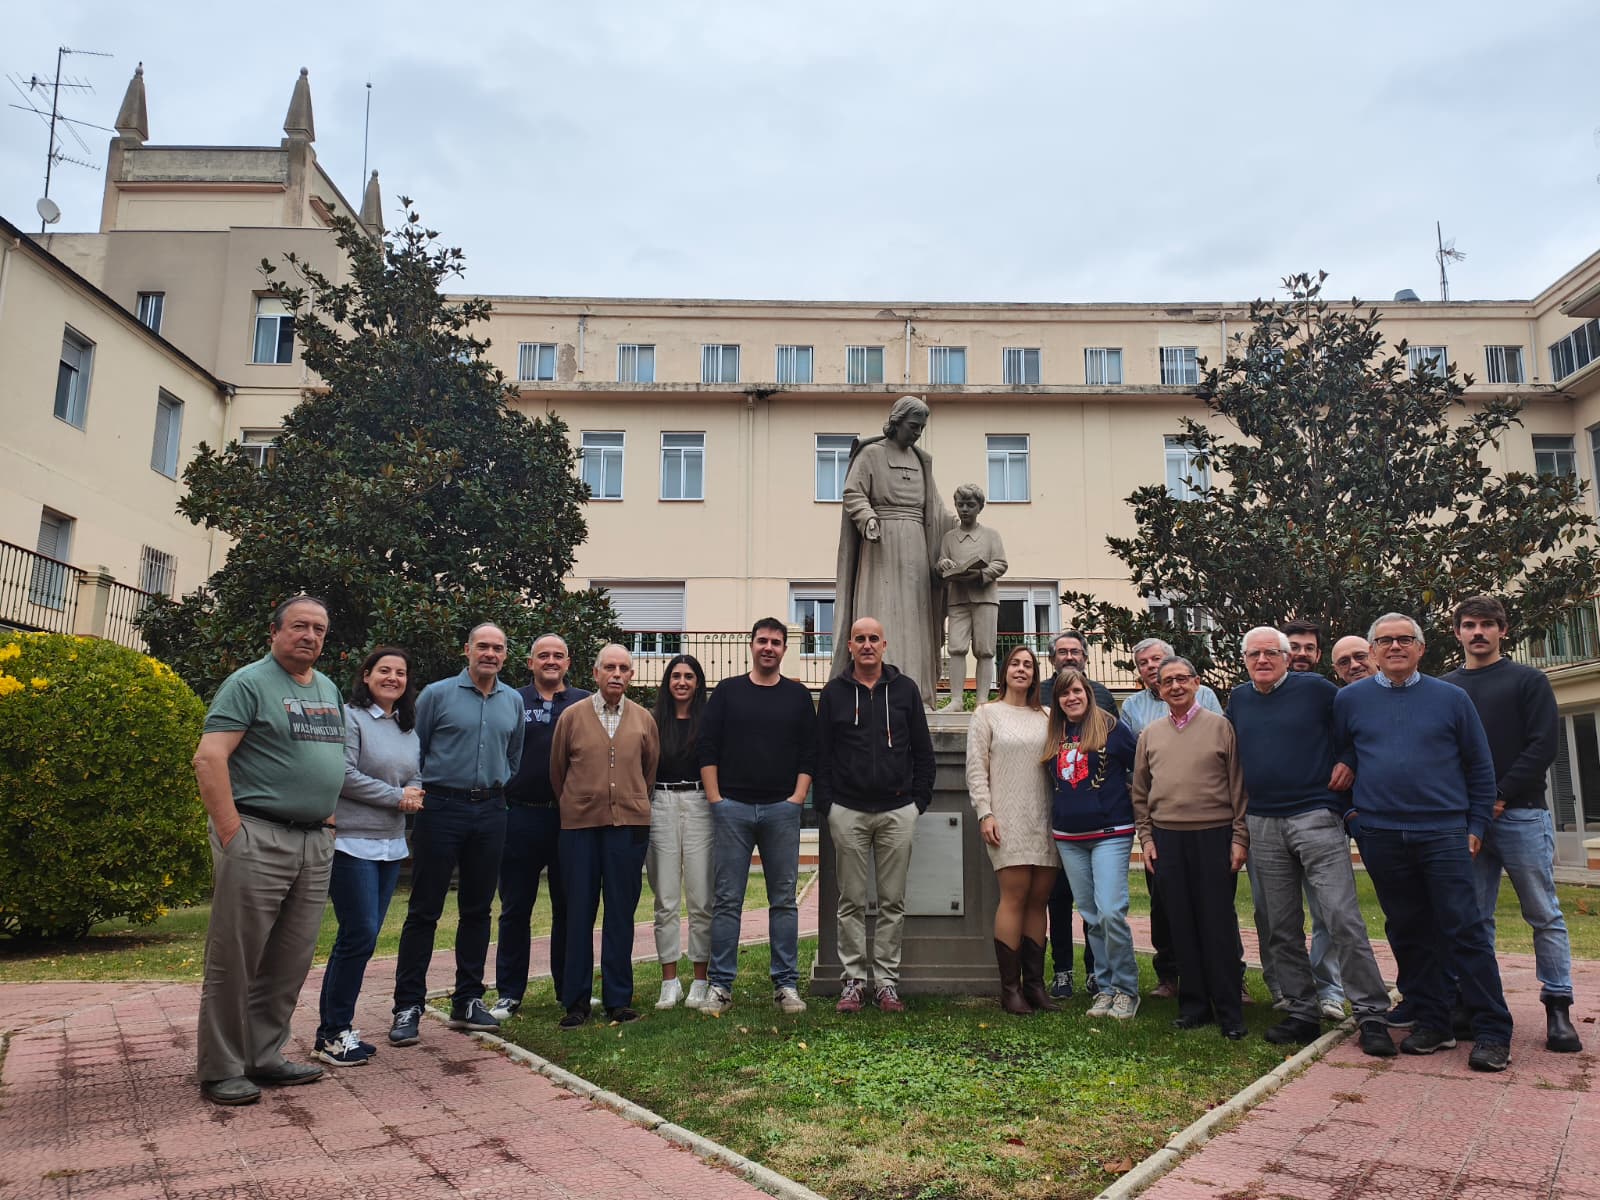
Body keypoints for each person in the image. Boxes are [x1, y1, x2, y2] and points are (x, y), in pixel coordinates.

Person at [1333, 613, 1514, 1071]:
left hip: (1443, 832)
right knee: (1409, 930)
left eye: (1405, 640)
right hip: (1382, 834)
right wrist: (1354, 817)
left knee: (1465, 930)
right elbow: (1341, 759)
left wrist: (1475, 826)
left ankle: (1492, 1030)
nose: (1395, 647)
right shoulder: (1350, 701)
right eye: (1385, 641)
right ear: (1372, 652)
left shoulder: (1451, 698)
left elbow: (1479, 765)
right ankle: (1433, 1022)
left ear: (1421, 648)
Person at [192, 596, 346, 1105]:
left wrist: (326, 818)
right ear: (274, 631)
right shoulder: (248, 683)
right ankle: (221, 1067)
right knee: (235, 959)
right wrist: (231, 831)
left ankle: (264, 1054)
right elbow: (210, 758)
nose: (310, 636)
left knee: (290, 959)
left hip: (312, 842)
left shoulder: (327, 688)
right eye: (299, 626)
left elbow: (325, 760)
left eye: (319, 630)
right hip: (257, 836)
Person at [1229, 628, 1396, 1058]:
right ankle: (1301, 1009)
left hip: (1316, 815)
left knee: (1341, 917)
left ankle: (1371, 1013)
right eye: (1254, 654)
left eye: (1271, 653)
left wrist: (1348, 761)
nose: (1262, 660)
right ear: (1244, 660)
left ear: (1287, 657)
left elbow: (1356, 733)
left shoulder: (1319, 691)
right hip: (1263, 820)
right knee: (1278, 923)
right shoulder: (1239, 699)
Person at [1443, 595, 1580, 1053]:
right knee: (1473, 918)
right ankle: (1477, 1003)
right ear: (1457, 632)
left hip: (1521, 813)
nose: (1477, 632)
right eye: (1469, 625)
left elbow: (1543, 746)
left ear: (1503, 631)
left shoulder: (1528, 680)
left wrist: (1496, 795)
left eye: (1487, 624)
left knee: (1543, 913)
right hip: (1469, 821)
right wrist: (1475, 805)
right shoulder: (1447, 688)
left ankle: (1558, 1006)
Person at [389, 622, 525, 1046]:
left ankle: (467, 999)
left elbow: (513, 756)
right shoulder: (437, 695)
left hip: (490, 809)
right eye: (482, 646)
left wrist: (493, 788)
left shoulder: (513, 701)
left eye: (497, 648)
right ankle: (407, 1005)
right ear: (466, 649)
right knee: (424, 909)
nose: (490, 653)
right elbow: (417, 749)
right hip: (440, 808)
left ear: (505, 655)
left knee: (479, 908)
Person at [816, 617, 935, 1013]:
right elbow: (822, 754)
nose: (867, 645)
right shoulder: (834, 693)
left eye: (873, 639)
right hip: (847, 811)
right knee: (849, 900)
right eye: (859, 639)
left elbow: (923, 751)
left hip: (897, 811)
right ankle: (852, 981)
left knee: (892, 902)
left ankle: (885, 982)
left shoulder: (905, 691)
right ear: (849, 646)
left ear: (885, 644)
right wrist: (829, 805)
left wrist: (917, 803)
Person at [698, 620, 817, 1016]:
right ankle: (720, 986)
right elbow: (708, 747)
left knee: (783, 900)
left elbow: (808, 752)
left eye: (776, 642)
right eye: (763, 641)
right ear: (752, 645)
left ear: (785, 649)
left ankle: (786, 985)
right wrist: (716, 799)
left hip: (781, 810)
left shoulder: (798, 696)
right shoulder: (728, 692)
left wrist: (797, 798)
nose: (769, 647)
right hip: (732, 808)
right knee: (728, 899)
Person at [315, 646, 424, 1067]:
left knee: (363, 938)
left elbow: (415, 771)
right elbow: (343, 775)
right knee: (357, 934)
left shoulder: (405, 725)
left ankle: (335, 1028)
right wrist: (398, 798)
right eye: (384, 671)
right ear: (366, 675)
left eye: (400, 672)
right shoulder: (350, 717)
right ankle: (333, 1032)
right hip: (352, 842)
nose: (392, 678)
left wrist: (412, 791)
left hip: (390, 845)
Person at [1131, 656, 1249, 1039]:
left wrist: (1239, 837)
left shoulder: (1220, 728)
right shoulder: (1150, 734)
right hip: (1167, 839)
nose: (1176, 686)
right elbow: (1140, 793)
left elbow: (1238, 787)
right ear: (1159, 689)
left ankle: (1229, 1010)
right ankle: (1194, 1005)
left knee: (1217, 924)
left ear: (1196, 682)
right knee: (1180, 923)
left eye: (1182, 679)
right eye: (1168, 682)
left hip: (1214, 836)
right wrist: (1146, 839)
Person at [550, 644, 660, 1028]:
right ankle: (576, 1001)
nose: (616, 674)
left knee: (620, 913)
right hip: (579, 827)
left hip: (628, 828)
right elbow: (558, 771)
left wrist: (629, 801)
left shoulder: (644, 719)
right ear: (595, 674)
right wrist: (580, 800)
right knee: (578, 911)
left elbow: (649, 772)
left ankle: (618, 999)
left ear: (632, 676)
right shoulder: (572, 716)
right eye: (609, 667)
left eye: (624, 668)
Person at [490, 634, 589, 1022]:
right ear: (530, 663)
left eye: (558, 656)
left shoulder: (584, 701)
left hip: (569, 819)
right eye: (543, 656)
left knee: (570, 907)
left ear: (568, 663)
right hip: (520, 815)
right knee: (515, 907)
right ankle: (509, 993)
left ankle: (570, 990)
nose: (551, 661)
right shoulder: (512, 700)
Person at [1119, 636, 1224, 1001]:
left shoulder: (1206, 697)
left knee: (1216, 904)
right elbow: (1138, 768)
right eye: (1144, 662)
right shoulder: (1132, 708)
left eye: (1157, 659)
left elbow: (1221, 751)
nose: (1151, 666)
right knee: (1164, 902)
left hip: (1209, 819)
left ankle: (1227, 976)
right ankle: (1170, 976)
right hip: (1161, 820)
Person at [832, 396, 954, 709]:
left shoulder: (921, 460)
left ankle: (914, 690)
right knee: (879, 611)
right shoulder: (871, 454)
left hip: (916, 544)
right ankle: (872, 684)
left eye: (921, 428)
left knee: (917, 618)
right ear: (897, 421)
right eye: (913, 426)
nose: (917, 433)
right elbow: (852, 492)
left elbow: (937, 509)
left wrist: (964, 530)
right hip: (880, 545)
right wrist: (867, 517)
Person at [1044, 667, 1142, 1020]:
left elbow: (1141, 769)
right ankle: (1105, 988)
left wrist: (1134, 797)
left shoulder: (1114, 730)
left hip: (1110, 833)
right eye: (1064, 694)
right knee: (1091, 916)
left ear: (1087, 692)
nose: (1072, 698)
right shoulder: (1054, 733)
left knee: (1112, 910)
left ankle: (1127, 989)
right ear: (1057, 701)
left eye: (1077, 691)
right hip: (1069, 837)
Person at [965, 645, 1057, 1015]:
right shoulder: (986, 714)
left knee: (1039, 899)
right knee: (1015, 896)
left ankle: (1035, 986)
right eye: (1016, 664)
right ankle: (1011, 989)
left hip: (1046, 818)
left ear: (1035, 675)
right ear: (1004, 672)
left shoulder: (1049, 715)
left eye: (1029, 666)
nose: (1022, 670)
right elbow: (976, 769)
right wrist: (985, 813)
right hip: (1006, 819)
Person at [1040, 629, 1114, 998]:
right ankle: (1063, 970)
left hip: (1096, 819)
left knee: (1094, 902)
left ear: (1085, 657)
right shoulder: (1039, 694)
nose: (1069, 656)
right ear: (1053, 658)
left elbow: (1116, 751)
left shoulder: (1102, 696)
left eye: (1075, 651)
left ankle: (1096, 972)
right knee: (1060, 899)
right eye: (1062, 652)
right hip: (1058, 815)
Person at [648, 653, 713, 1009]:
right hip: (662, 804)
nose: (682, 682)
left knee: (702, 898)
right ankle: (669, 981)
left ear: (698, 682)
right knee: (666, 899)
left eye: (689, 676)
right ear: (667, 682)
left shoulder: (709, 720)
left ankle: (700, 980)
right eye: (676, 676)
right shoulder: (653, 721)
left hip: (701, 805)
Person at [937, 484, 1008, 710]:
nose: (965, 509)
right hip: (957, 597)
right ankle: (957, 699)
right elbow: (940, 563)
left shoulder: (991, 535)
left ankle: (982, 701)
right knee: (956, 647)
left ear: (980, 507)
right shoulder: (949, 538)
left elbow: (1001, 563)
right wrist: (943, 564)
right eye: (960, 505)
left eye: (970, 505)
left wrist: (981, 574)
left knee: (985, 650)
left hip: (984, 598)